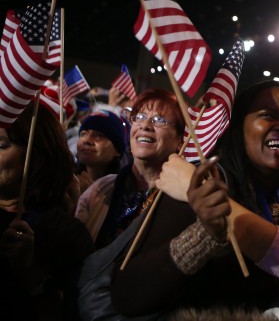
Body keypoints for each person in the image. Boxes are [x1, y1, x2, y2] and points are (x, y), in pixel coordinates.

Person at [108, 80, 279, 317]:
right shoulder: (204, 186)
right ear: (239, 125)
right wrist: (205, 235)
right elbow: (127, 296)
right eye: (268, 115)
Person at [0, 102, 95, 321]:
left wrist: (30, 272)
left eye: (2, 145)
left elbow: (77, 311)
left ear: (36, 154)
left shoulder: (66, 233)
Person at [75, 88, 184, 246]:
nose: (145, 125)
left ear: (180, 140)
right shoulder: (101, 189)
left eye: (159, 120)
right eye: (139, 117)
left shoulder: (181, 200)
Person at [75, 109, 129, 194]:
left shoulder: (125, 190)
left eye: (98, 135)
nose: (87, 140)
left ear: (117, 150)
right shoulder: (66, 182)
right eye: (83, 134)